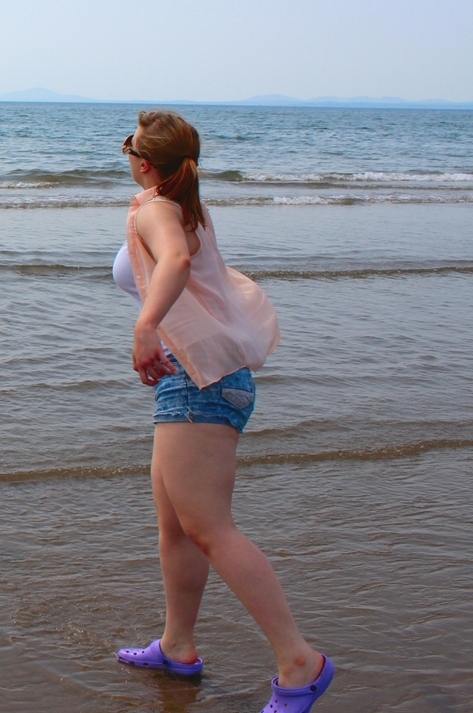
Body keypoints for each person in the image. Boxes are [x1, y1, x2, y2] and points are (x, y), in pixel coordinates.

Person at [112, 110, 335, 712]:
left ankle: (300, 662)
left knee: (210, 529)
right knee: (177, 528)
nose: (126, 157)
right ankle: (177, 645)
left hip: (198, 382)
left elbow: (178, 266)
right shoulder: (186, 205)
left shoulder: (156, 209)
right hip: (196, 381)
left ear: (144, 161)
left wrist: (146, 324)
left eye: (128, 147)